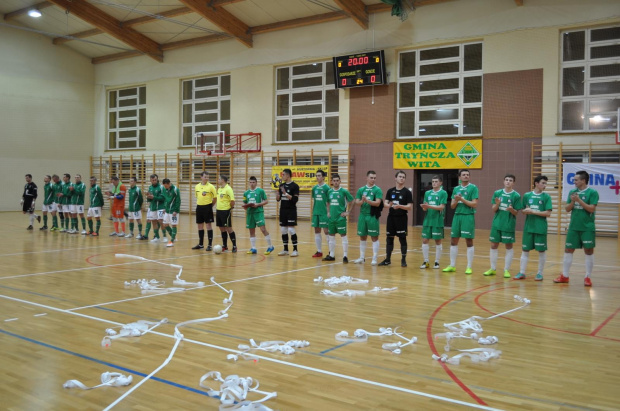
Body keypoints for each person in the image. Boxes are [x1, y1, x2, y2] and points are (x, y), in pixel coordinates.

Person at [554, 170, 598, 287]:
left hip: (587, 227)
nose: (574, 182)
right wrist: (573, 201)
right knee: (568, 250)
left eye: (576, 180)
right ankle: (565, 275)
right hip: (573, 227)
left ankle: (588, 277)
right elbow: (567, 209)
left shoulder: (592, 193)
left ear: (583, 180)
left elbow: (591, 209)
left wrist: (579, 201)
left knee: (588, 251)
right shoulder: (572, 192)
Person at [484, 174, 522, 278]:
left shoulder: (516, 195)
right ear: (503, 181)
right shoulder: (497, 193)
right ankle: (492, 268)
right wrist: (497, 204)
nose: (508, 182)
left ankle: (506, 270)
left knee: (508, 246)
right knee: (493, 245)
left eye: (510, 180)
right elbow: (493, 209)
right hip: (497, 223)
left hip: (508, 225)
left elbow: (516, 213)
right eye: (506, 180)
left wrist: (511, 210)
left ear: (513, 183)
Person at [515, 175, 552, 281]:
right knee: (525, 250)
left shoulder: (546, 197)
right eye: (543, 183)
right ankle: (522, 272)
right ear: (536, 183)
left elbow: (548, 213)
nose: (545, 185)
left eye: (545, 183)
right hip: (528, 227)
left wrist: (533, 212)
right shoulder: (527, 195)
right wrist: (525, 211)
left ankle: (540, 273)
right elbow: (523, 210)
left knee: (541, 251)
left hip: (540, 228)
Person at [443, 169, 478, 274]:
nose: (466, 176)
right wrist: (457, 200)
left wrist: (461, 199)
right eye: (464, 175)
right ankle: (452, 265)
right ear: (459, 177)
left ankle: (469, 266)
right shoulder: (456, 189)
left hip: (468, 216)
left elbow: (474, 204)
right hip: (457, 216)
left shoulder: (473, 188)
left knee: (469, 241)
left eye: (467, 175)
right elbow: (452, 206)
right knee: (453, 241)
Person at [379, 171, 413, 267]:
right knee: (389, 238)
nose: (402, 178)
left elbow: (409, 207)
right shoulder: (390, 191)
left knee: (402, 238)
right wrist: (388, 205)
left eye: (403, 177)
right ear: (395, 178)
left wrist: (400, 206)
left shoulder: (407, 192)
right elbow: (385, 203)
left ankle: (403, 259)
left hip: (401, 218)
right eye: (400, 176)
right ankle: (388, 259)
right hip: (391, 218)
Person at [353, 170, 383, 265]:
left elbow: (378, 203)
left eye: (374, 178)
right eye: (371, 177)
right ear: (366, 178)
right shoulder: (361, 190)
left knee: (374, 237)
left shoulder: (377, 190)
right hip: (362, 215)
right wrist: (362, 201)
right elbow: (357, 202)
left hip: (372, 216)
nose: (373, 179)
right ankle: (362, 257)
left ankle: (374, 258)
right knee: (362, 237)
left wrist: (368, 201)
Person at [323, 173, 354, 263]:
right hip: (332, 218)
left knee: (343, 236)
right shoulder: (329, 191)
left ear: (340, 181)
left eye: (337, 181)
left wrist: (348, 212)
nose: (336, 182)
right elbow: (327, 202)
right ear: (332, 182)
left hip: (340, 218)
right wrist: (328, 212)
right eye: (334, 181)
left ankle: (345, 255)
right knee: (331, 236)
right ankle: (332, 255)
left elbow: (352, 200)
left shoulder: (344, 191)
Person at [420, 175, 448, 269]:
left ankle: (437, 262)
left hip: (437, 220)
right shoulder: (427, 193)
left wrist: (428, 207)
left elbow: (441, 207)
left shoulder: (443, 193)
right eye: (433, 181)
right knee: (424, 240)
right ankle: (426, 261)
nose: (434, 183)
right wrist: (424, 206)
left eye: (436, 181)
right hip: (428, 220)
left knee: (438, 241)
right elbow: (425, 209)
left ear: (440, 183)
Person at [243, 176, 274, 255]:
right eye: (250, 182)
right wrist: (245, 206)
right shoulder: (246, 193)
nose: (252, 184)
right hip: (250, 213)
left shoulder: (260, 191)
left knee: (263, 229)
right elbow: (244, 202)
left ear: (256, 183)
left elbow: (266, 201)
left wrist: (258, 204)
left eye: (253, 182)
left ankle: (270, 246)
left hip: (258, 212)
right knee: (251, 231)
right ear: (249, 183)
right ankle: (253, 248)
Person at [275, 169, 300, 257]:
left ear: (288, 175)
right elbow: (278, 200)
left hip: (291, 210)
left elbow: (294, 200)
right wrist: (277, 195)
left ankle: (295, 250)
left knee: (291, 230)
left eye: (284, 174)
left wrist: (285, 193)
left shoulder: (295, 186)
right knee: (283, 230)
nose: (282, 176)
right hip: (283, 210)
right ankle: (285, 249)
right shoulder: (281, 185)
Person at [192, 171, 217, 250]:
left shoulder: (211, 187)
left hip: (208, 207)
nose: (207, 178)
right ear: (201, 177)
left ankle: (209, 245)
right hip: (199, 207)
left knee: (208, 225)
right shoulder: (197, 187)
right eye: (205, 177)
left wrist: (210, 206)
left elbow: (215, 198)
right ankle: (201, 244)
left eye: (208, 177)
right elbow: (197, 196)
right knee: (200, 226)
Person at [311, 170, 330, 258]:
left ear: (323, 177)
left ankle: (331, 251)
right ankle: (319, 251)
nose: (317, 177)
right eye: (316, 175)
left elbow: (329, 202)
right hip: (316, 213)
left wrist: (328, 212)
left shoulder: (327, 188)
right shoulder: (314, 188)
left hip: (324, 213)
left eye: (319, 175)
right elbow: (313, 200)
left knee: (326, 231)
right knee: (317, 231)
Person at [216, 175, 237, 252]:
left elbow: (232, 201)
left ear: (223, 180)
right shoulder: (219, 189)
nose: (218, 180)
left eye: (219, 179)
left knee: (228, 228)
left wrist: (229, 209)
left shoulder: (228, 189)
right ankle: (225, 245)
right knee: (221, 228)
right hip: (219, 211)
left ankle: (234, 246)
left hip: (225, 211)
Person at [144, 174, 166, 242]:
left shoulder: (161, 187)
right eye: (153, 180)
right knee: (153, 222)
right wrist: (148, 197)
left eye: (155, 180)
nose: (154, 181)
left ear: (157, 179)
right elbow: (150, 199)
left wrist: (154, 197)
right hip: (153, 207)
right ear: (150, 180)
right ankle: (157, 237)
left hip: (160, 207)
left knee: (161, 221)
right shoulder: (150, 188)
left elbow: (163, 198)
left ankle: (165, 236)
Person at [162, 178, 181, 247]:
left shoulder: (175, 189)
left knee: (173, 225)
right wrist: (164, 207)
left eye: (166, 186)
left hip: (173, 210)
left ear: (169, 184)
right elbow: (165, 199)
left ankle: (171, 241)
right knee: (165, 224)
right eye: (164, 186)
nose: (165, 187)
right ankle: (173, 236)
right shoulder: (165, 189)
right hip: (167, 210)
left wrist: (176, 210)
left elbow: (178, 200)